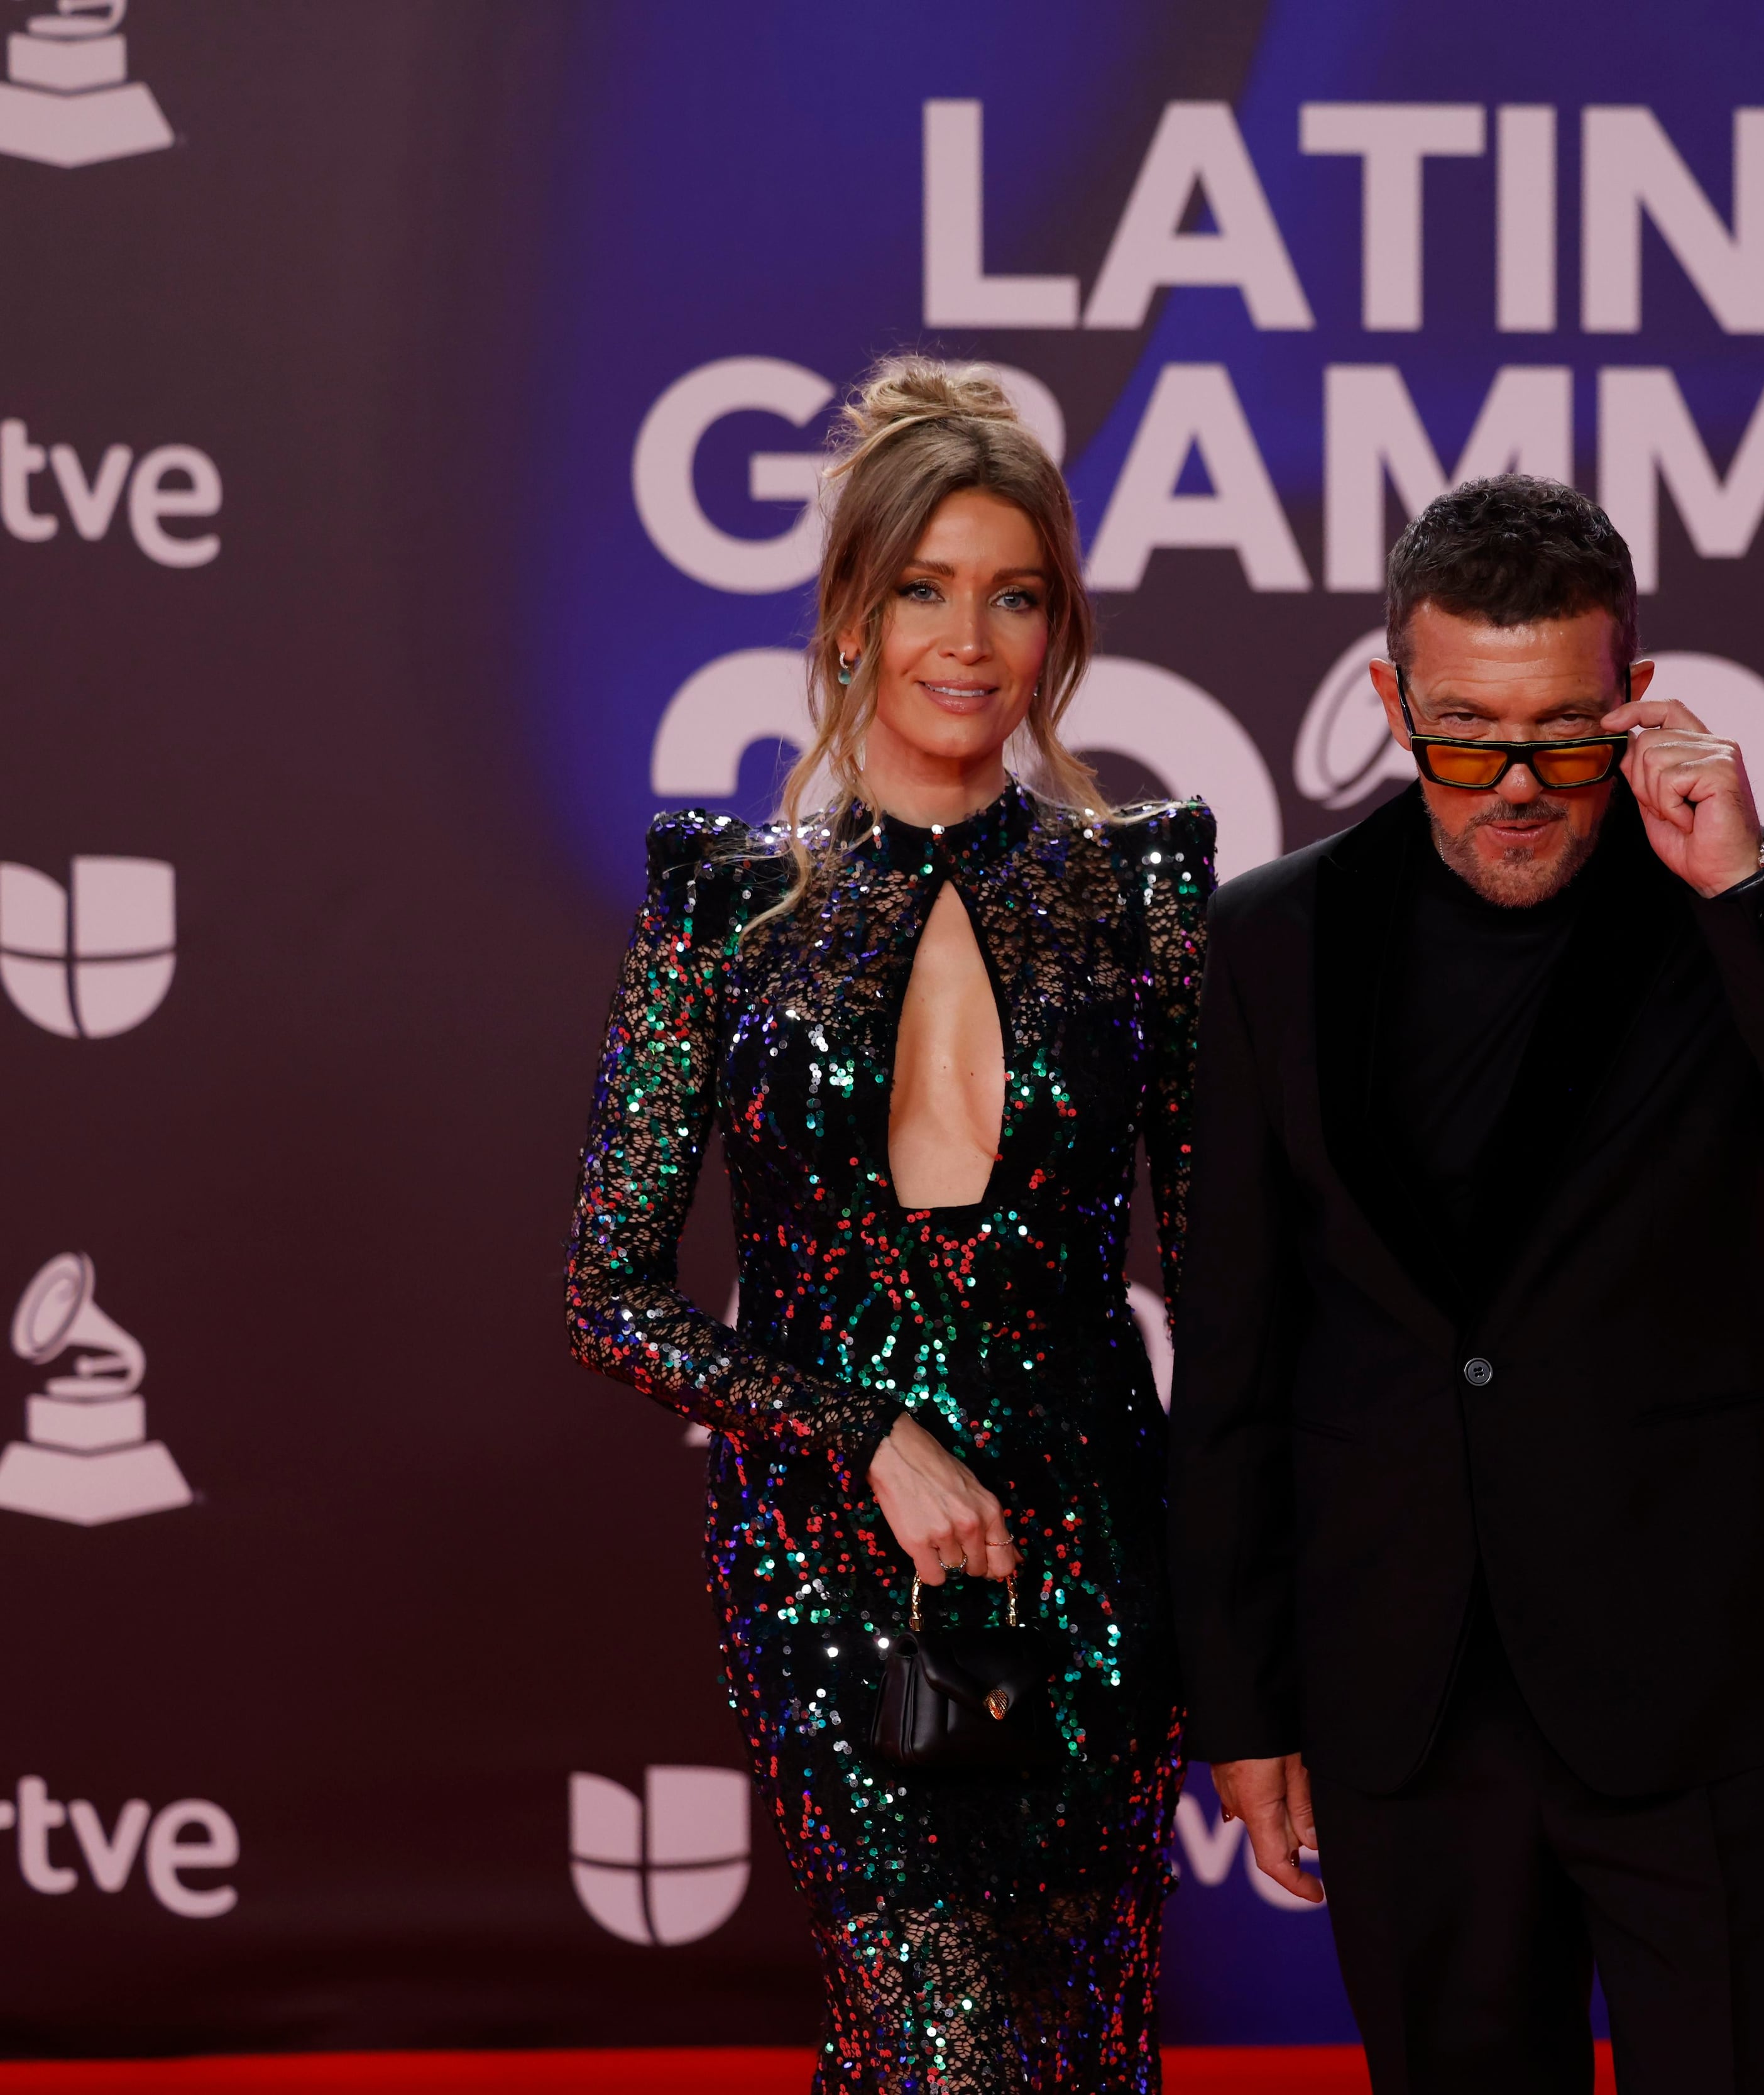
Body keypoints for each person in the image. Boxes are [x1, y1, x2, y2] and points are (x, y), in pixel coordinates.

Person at [1168, 475, 1764, 2092]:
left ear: (1639, 693)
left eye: (1566, 730)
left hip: (1694, 1684)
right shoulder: (1270, 940)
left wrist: (1741, 898)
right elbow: (1239, 1343)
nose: (1519, 784)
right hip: (1403, 1690)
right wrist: (1246, 1705)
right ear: (1389, 700)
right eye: (1466, 731)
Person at [563, 357, 1208, 2093]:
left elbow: (1228, 1280)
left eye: (1014, 594)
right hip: (831, 1559)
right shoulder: (724, 902)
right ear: (851, 611)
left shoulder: (1142, 888)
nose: (968, 637)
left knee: (1077, 2050)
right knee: (935, 2045)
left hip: (1095, 1547)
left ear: (1060, 625)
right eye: (923, 587)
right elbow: (610, 1291)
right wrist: (871, 1434)